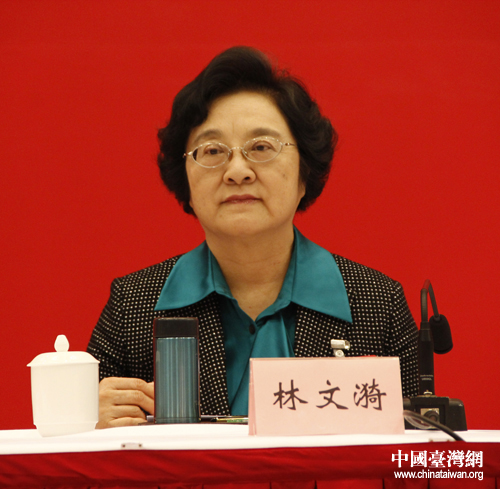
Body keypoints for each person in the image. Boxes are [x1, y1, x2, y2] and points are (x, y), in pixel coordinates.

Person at [88, 46, 418, 429]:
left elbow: (415, 451)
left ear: (304, 173)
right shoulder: (134, 307)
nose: (237, 171)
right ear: (186, 183)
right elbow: (79, 447)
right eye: (213, 150)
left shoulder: (377, 305)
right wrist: (88, 424)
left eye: (261, 147)